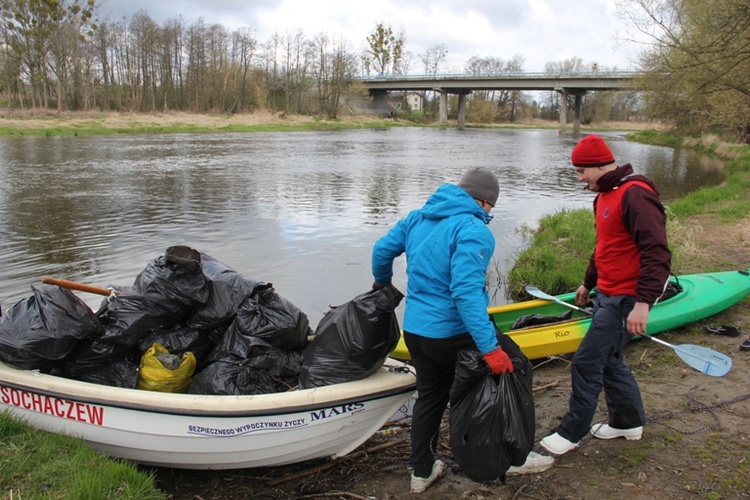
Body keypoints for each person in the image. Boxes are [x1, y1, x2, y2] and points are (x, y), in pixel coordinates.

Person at [372, 167, 554, 494]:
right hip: (454, 333)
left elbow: (381, 251)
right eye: (491, 209)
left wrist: (382, 283)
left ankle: (422, 472)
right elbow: (465, 293)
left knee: (430, 398)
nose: (489, 214)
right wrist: (489, 349)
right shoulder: (473, 229)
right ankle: (513, 458)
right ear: (485, 202)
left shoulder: (417, 217)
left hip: (416, 332)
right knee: (511, 371)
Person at [540, 135, 672, 456]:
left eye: (582, 171)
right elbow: (604, 248)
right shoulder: (603, 197)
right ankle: (627, 422)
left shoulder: (636, 195)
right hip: (607, 295)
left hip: (628, 298)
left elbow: (657, 252)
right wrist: (588, 283)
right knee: (610, 360)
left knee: (586, 362)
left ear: (600, 165)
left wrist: (643, 303)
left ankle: (572, 432)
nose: (579, 178)